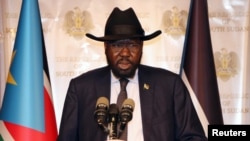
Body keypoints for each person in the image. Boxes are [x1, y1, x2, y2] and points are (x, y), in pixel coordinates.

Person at [57, 7, 208, 141]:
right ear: (105, 47)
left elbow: (194, 137)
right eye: (117, 45)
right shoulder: (82, 88)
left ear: (142, 47)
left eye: (132, 45)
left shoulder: (169, 85)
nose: (125, 53)